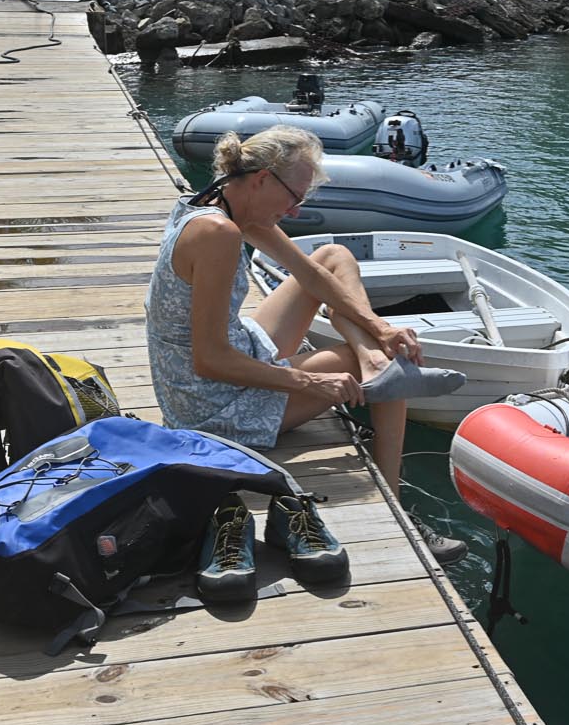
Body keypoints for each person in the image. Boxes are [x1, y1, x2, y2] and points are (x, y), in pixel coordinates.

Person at [145, 122, 466, 587]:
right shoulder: (217, 234)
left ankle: (374, 360)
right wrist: (314, 383)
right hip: (210, 404)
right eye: (294, 196)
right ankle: (397, 503)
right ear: (261, 179)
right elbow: (209, 360)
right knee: (389, 369)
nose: (296, 209)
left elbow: (311, 275)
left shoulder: (223, 205)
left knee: (334, 257)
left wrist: (380, 327)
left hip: (232, 352)